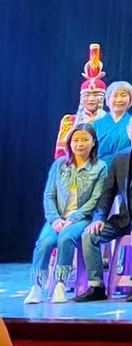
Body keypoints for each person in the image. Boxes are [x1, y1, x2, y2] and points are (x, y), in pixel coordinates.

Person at [75, 112, 132, 302]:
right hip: (123, 218)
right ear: (128, 129)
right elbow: (108, 192)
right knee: (89, 235)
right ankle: (96, 286)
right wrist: (99, 218)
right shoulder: (119, 158)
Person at [26, 123, 106, 304]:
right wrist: (54, 219)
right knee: (45, 242)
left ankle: (60, 285)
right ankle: (36, 286)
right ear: (69, 143)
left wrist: (73, 218)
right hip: (57, 217)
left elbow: (95, 199)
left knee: (65, 238)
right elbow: (49, 195)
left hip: (82, 218)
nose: (80, 144)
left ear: (93, 142)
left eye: (85, 140)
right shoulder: (59, 164)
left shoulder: (100, 167)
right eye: (75, 140)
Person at [55, 44, 107, 158]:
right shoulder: (70, 121)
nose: (91, 99)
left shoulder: (108, 121)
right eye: (87, 95)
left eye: (96, 95)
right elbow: (60, 155)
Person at [90, 81, 132, 161]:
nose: (119, 100)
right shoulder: (95, 125)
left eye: (123, 95)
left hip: (126, 166)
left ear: (130, 99)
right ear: (108, 99)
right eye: (115, 95)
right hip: (99, 167)